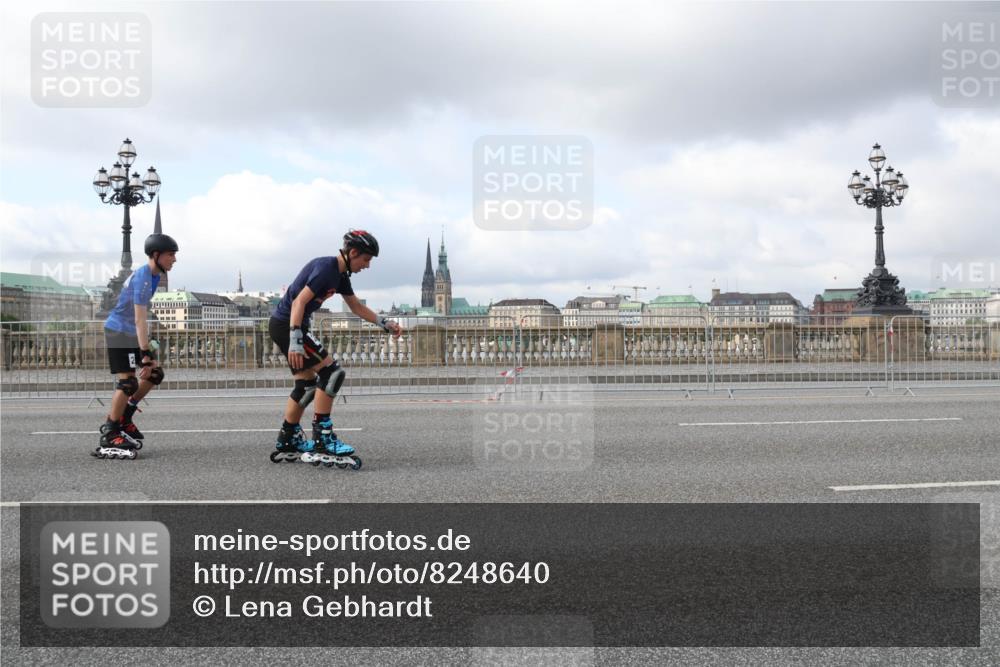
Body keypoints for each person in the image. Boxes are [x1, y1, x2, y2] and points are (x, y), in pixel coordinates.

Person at [268, 230, 403, 468]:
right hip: (289, 324)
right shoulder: (327, 269)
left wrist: (384, 323)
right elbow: (299, 301)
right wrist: (296, 340)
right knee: (332, 373)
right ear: (353, 253)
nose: (367, 266)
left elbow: (356, 307)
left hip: (286, 324)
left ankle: (288, 438)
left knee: (307, 385)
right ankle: (323, 438)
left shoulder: (340, 275)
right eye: (366, 259)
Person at [94, 233, 178, 459]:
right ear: (156, 255)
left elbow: (141, 320)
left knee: (155, 374)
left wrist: (148, 354)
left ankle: (125, 416)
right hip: (119, 331)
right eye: (171, 255)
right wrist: (146, 353)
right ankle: (111, 431)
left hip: (129, 332)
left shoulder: (152, 276)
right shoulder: (143, 278)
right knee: (128, 382)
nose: (174, 260)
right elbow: (140, 318)